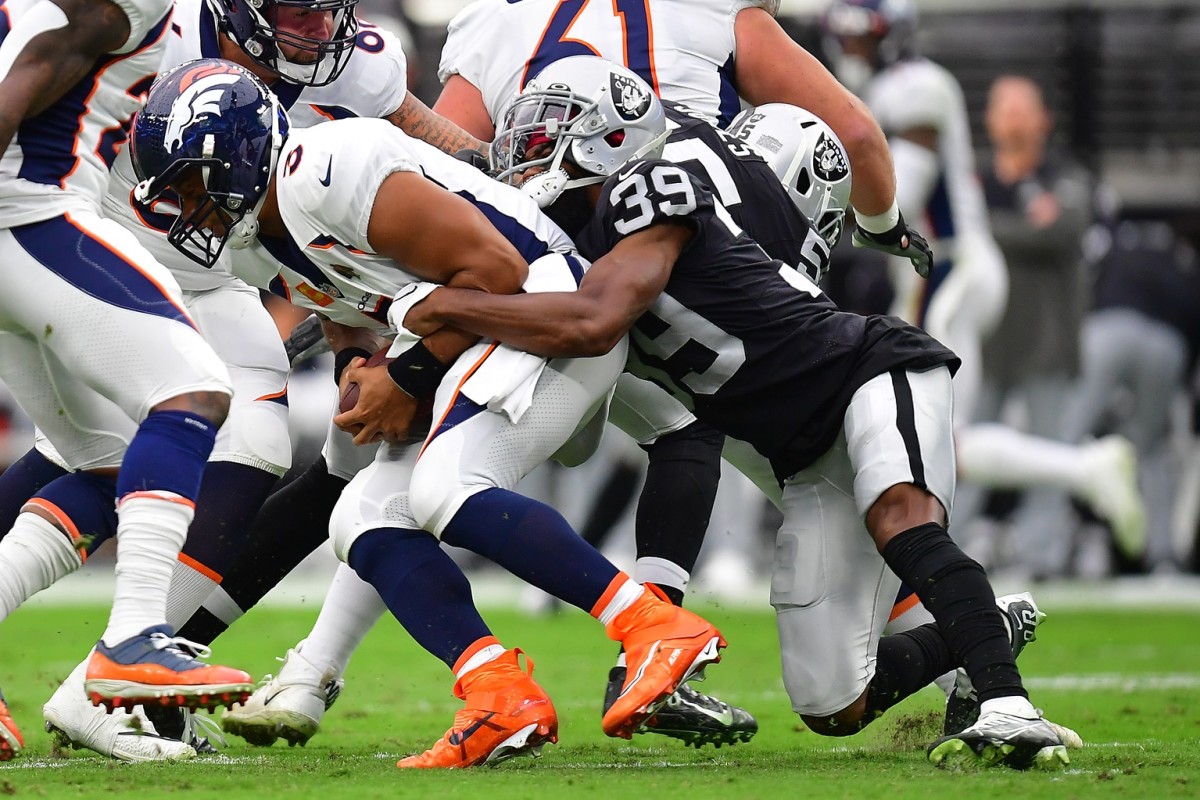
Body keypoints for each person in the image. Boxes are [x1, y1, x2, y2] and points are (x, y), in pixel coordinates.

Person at [404, 55, 1072, 770]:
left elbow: (593, 322)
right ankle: (989, 626)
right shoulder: (574, 246)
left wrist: (441, 307)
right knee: (833, 705)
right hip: (804, 458)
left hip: (867, 374)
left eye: (550, 134)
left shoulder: (652, 189)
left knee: (900, 516)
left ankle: (1010, 706)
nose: (527, 150)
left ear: (608, 141)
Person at [129, 57, 728, 768]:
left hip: (537, 309)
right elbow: (347, 306)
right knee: (363, 519)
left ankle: (653, 625)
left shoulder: (327, 169)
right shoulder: (255, 237)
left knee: (448, 486)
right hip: (473, 334)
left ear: (240, 149)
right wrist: (358, 366)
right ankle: (498, 692)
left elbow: (498, 272)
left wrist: (408, 375)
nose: (187, 206)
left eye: (193, 182)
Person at [0, 0, 492, 763]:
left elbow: (432, 138)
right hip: (81, 235)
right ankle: (125, 654)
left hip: (216, 264)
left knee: (183, 447)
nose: (308, 29)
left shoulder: (356, 60)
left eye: (320, 12)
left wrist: (510, 182)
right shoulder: (149, 18)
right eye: (289, 10)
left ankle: (105, 682)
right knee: (175, 408)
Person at [431, 0, 934, 744]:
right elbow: (854, 132)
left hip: (558, 249)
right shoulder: (707, 11)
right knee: (787, 454)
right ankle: (960, 634)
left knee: (417, 465)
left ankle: (316, 673)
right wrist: (888, 227)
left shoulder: (490, 22)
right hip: (688, 241)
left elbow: (449, 165)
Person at [0, 0, 257, 758]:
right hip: (30, 213)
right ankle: (133, 636)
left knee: (107, 464)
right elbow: (44, 59)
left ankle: (103, 683)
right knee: (192, 393)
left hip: (25, 218)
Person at [821, 0, 1145, 563]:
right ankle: (1084, 471)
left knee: (940, 438)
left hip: (948, 269)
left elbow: (900, 197)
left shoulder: (915, 86)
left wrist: (807, 202)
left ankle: (1085, 471)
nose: (851, 53)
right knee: (938, 437)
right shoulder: (894, 88)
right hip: (937, 271)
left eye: (862, 40)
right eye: (844, 41)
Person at [973, 75, 1120, 575]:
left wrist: (986, 227)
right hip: (985, 341)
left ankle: (1042, 556)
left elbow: (1059, 231)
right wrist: (1016, 227)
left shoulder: (1067, 179)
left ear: (1043, 121)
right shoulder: (976, 180)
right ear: (990, 120)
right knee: (962, 451)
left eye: (1022, 109)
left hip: (1048, 342)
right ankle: (947, 552)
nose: (1012, 119)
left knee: (1052, 453)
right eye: (1004, 108)